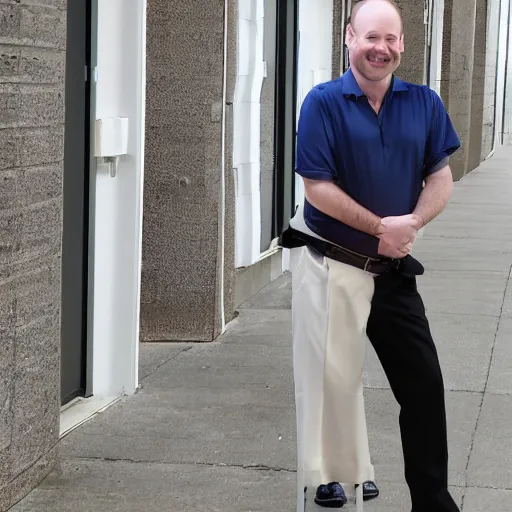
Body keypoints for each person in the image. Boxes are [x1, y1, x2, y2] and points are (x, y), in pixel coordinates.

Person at [281, 0, 462, 510]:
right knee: (333, 383)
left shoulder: (423, 102)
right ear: (349, 37)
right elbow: (317, 188)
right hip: (333, 263)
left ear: (402, 43)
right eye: (370, 38)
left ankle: (432, 498)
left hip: (391, 271)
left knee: (424, 385)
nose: (380, 49)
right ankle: (332, 476)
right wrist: (381, 225)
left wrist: (412, 224)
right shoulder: (322, 102)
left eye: (390, 39)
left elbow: (440, 175)